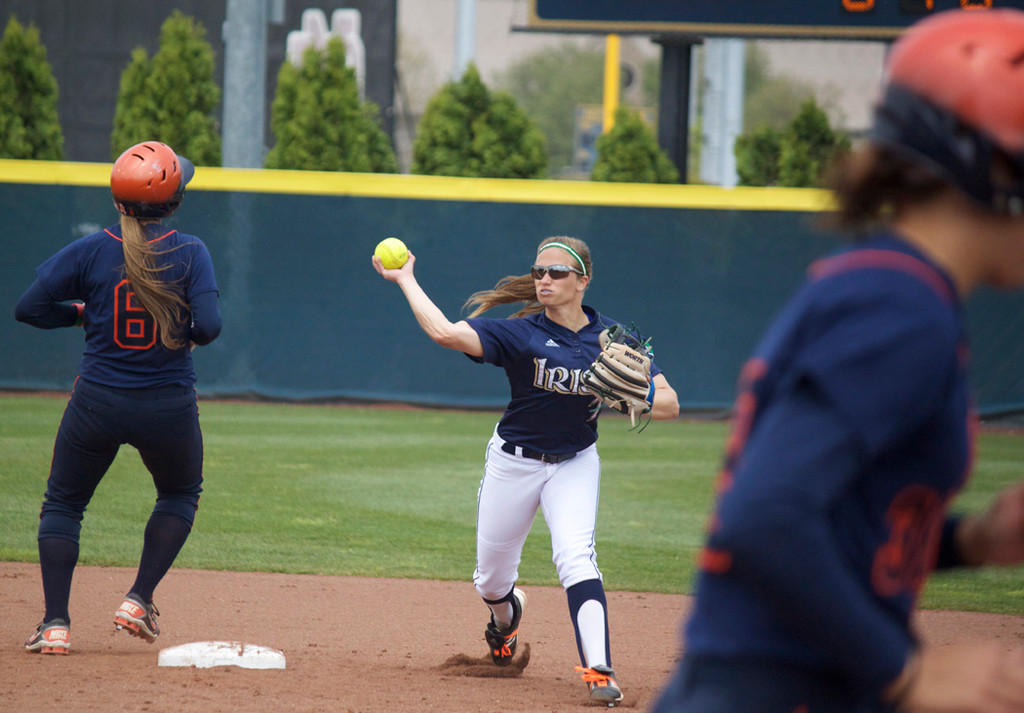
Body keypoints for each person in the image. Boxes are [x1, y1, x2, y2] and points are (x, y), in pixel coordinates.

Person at [650, 9, 1024, 713]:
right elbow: (766, 516)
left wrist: (972, 539)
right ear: (992, 165)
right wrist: (907, 673)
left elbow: (839, 525)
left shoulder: (888, 285)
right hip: (777, 691)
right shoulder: (900, 308)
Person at [373, 236, 679, 705]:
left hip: (574, 463)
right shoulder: (520, 334)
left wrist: (635, 395)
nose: (545, 280)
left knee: (577, 557)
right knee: (492, 581)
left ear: (583, 280)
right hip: (512, 463)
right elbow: (446, 333)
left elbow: (671, 405)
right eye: (539, 272)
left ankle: (599, 669)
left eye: (556, 272)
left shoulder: (614, 339)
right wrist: (406, 280)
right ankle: (507, 618)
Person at [15, 141, 221, 655]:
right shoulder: (190, 250)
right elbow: (211, 328)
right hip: (167, 405)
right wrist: (182, 328)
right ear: (172, 202)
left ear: (118, 201)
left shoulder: (91, 249)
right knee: (178, 495)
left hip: (97, 403)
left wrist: (82, 314)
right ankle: (138, 598)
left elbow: (29, 308)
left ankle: (55, 624)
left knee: (64, 504)